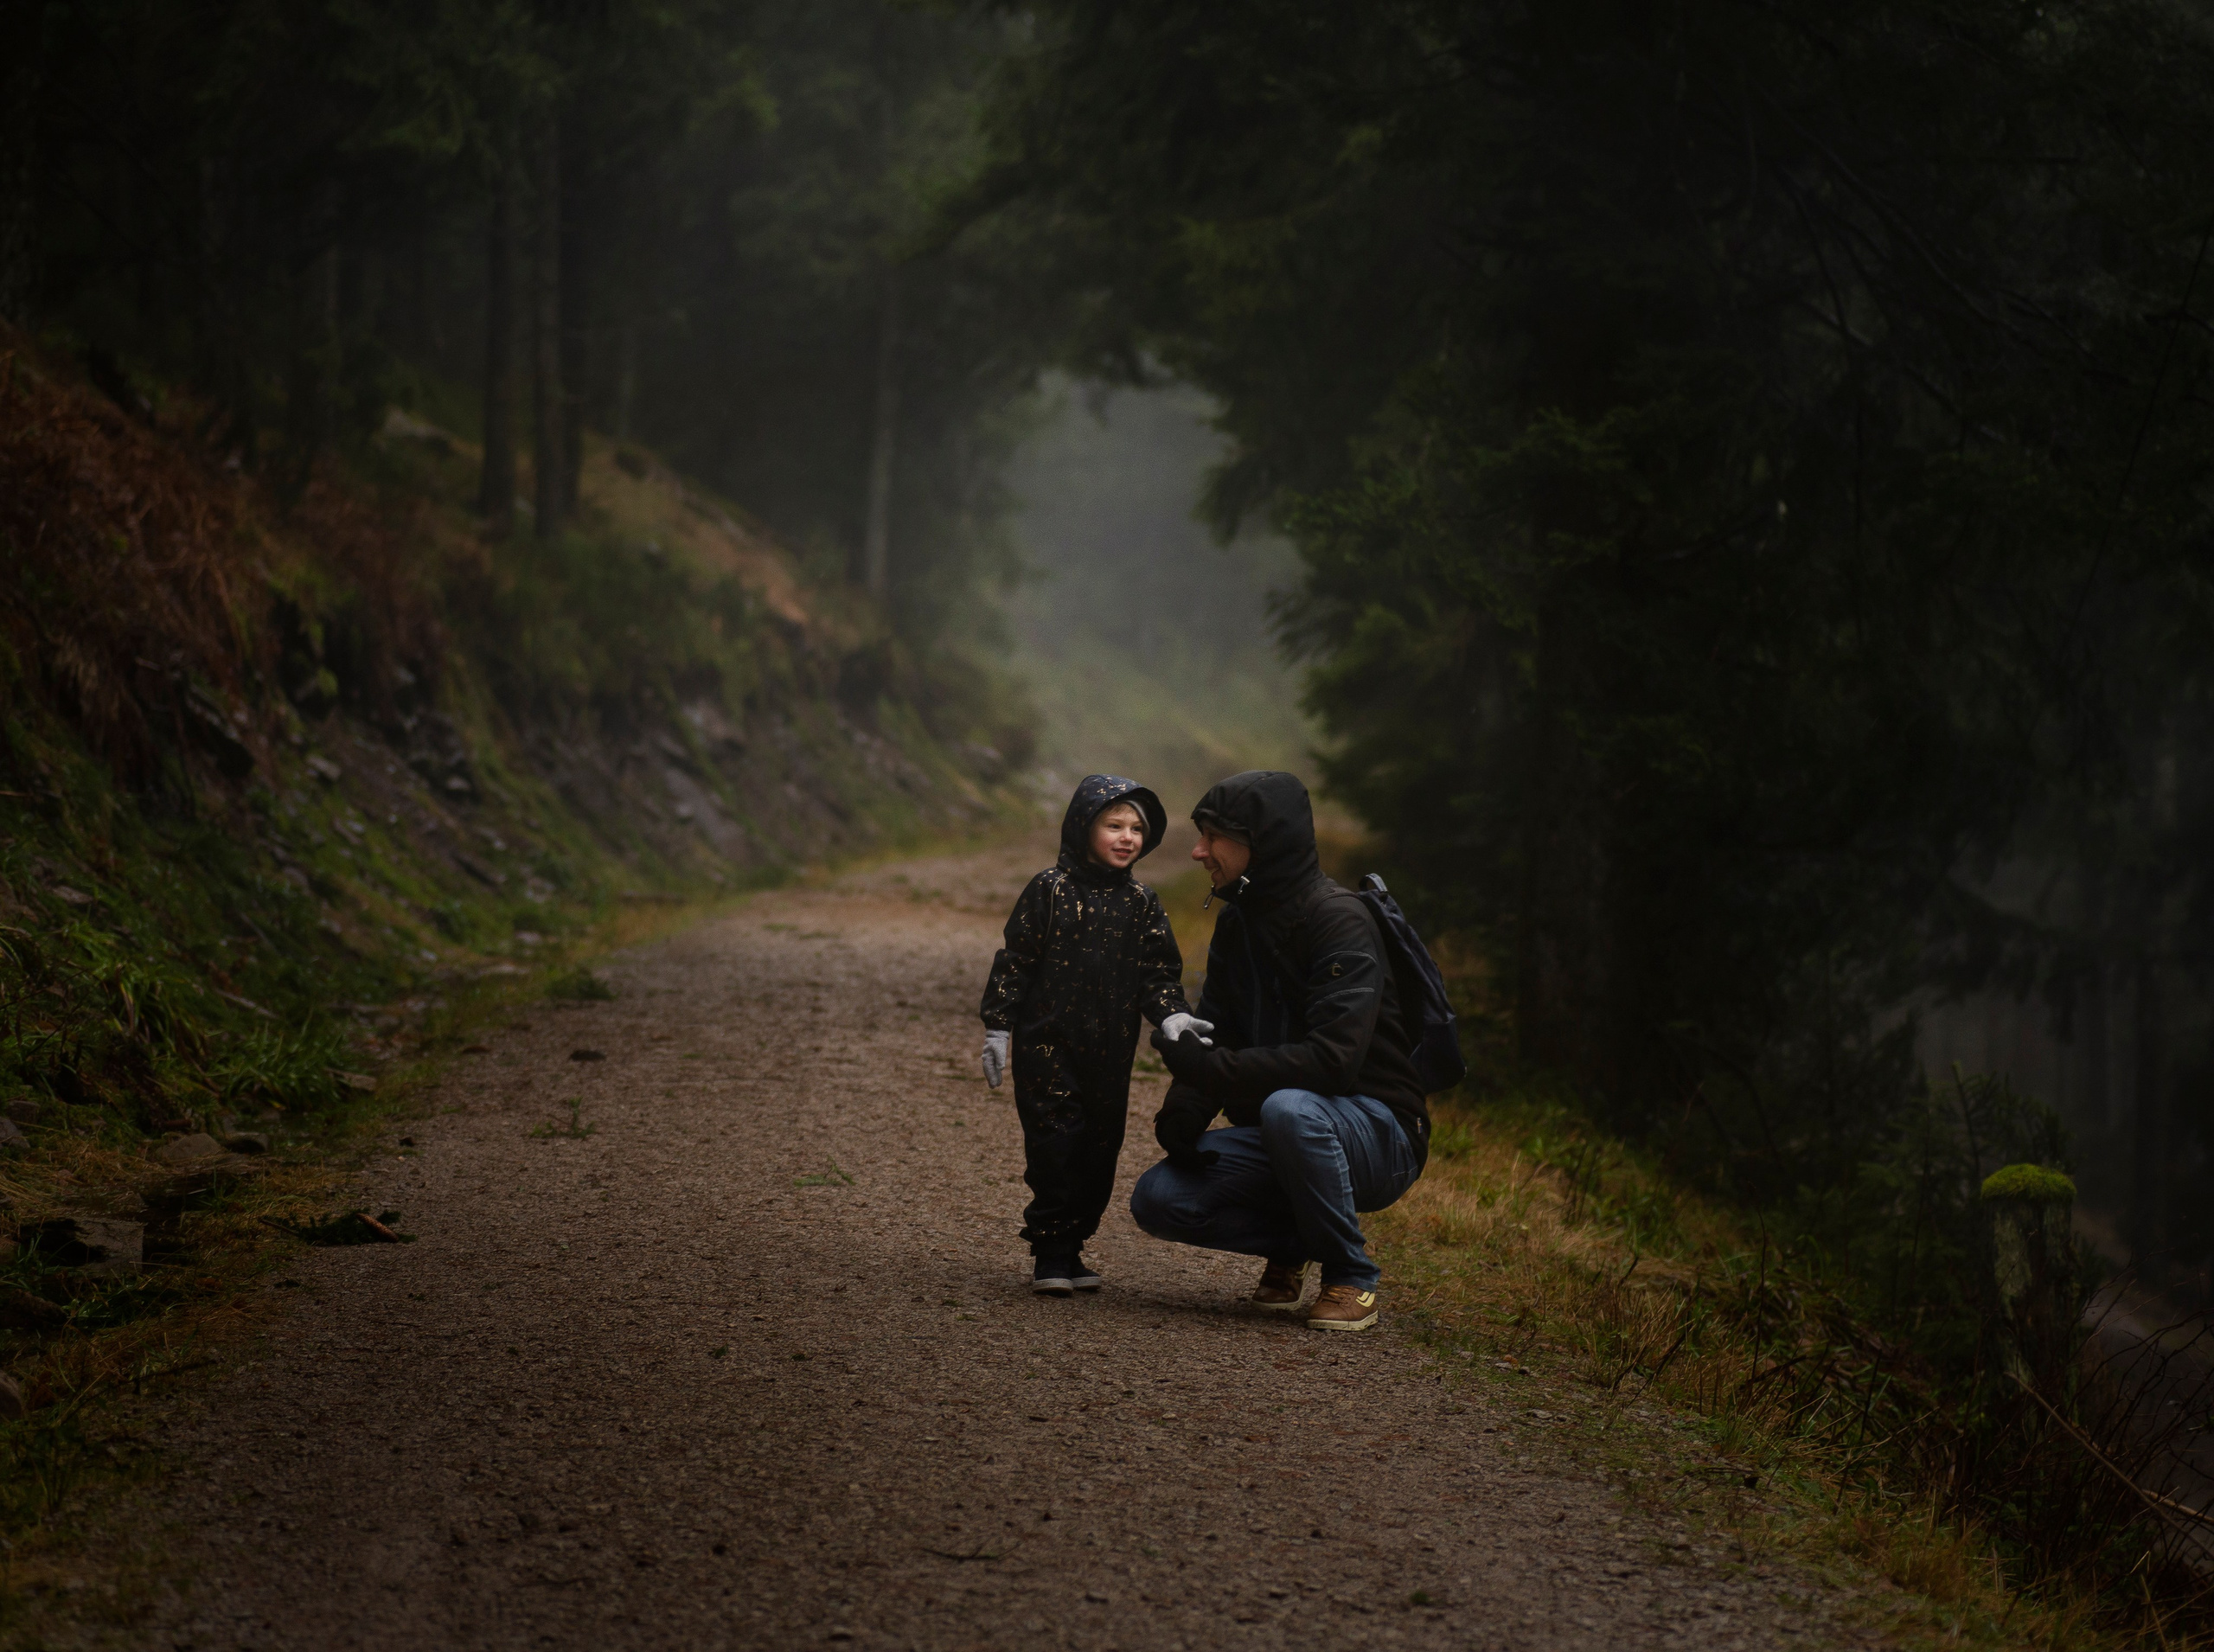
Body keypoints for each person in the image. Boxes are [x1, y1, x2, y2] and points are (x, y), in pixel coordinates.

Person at [1129, 771, 1429, 1332]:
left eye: (1212, 837)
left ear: (1260, 841)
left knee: (1289, 1107)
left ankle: (1351, 1276)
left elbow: (1333, 1062)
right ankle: (1298, 1240)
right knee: (1158, 1198)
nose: (1198, 852)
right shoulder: (1239, 921)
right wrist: (1185, 1110)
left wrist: (1211, 1068)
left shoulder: (1339, 920)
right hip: (1289, 1130)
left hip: (1381, 1133)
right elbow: (1217, 1031)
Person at [979, 775, 1212, 1295]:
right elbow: (1015, 960)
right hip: (1047, 1042)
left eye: (1136, 829)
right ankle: (1051, 1251)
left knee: (1100, 1144)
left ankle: (1075, 1243)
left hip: (1111, 1049)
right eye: (1114, 825)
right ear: (1084, 827)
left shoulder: (1142, 902)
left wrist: (1172, 1014)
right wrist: (999, 1026)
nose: (1127, 836)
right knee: (1056, 1139)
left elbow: (1157, 972)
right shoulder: (1050, 890)